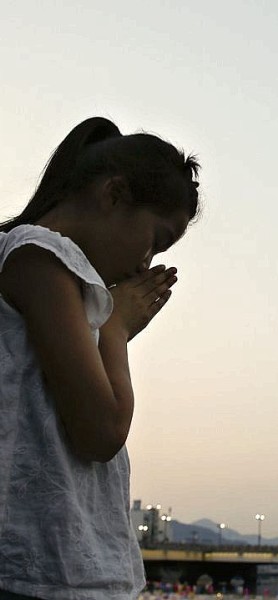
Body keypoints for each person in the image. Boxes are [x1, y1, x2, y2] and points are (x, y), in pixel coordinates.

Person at [0, 117, 200, 599]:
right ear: (113, 194)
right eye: (155, 240)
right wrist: (115, 331)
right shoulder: (39, 257)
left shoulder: (48, 268)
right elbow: (101, 433)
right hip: (41, 577)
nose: (144, 265)